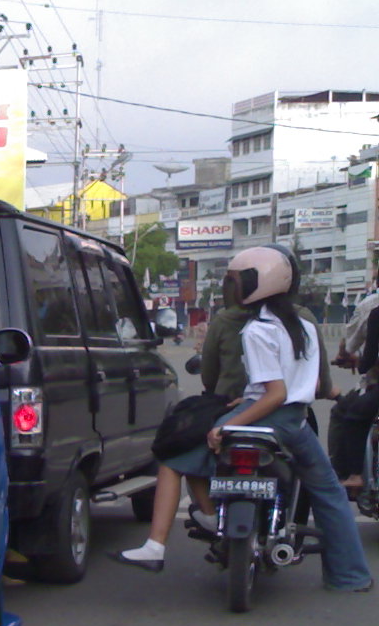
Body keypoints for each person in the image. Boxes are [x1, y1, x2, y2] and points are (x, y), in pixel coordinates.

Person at [111, 246, 372, 592]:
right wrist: (246, 399)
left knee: (172, 457)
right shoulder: (305, 326)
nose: (232, 288)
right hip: (295, 423)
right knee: (329, 493)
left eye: (237, 280)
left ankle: (157, 546)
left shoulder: (256, 329)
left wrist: (228, 424)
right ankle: (350, 576)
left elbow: (275, 394)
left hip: (268, 417)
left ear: (254, 283)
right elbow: (297, 387)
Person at [327, 295, 379, 489]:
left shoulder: (373, 309)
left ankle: (351, 475)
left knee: (350, 414)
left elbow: (365, 364)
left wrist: (357, 361)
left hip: (375, 386)